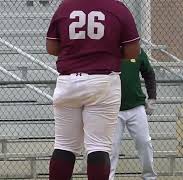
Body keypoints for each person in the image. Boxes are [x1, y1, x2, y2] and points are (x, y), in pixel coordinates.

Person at [46, 0, 140, 179]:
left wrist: (76, 52)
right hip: (102, 81)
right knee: (98, 146)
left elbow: (51, 47)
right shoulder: (117, 8)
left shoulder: (66, 6)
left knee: (64, 145)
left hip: (68, 82)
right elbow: (133, 51)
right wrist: (106, 52)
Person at [109, 49, 157, 180]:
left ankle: (149, 177)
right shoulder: (107, 49)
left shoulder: (136, 50)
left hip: (136, 107)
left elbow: (149, 73)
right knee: (111, 148)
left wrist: (152, 97)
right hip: (112, 109)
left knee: (144, 142)